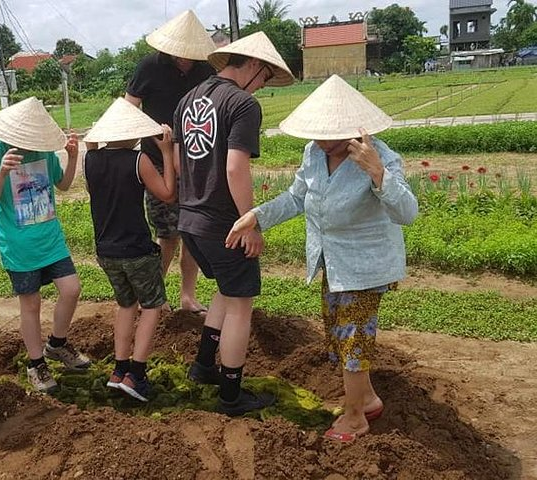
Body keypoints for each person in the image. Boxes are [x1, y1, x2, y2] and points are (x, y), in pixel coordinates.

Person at [226, 75, 419, 441]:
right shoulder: (314, 154)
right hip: (332, 261)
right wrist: (257, 215)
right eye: (317, 134)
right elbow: (297, 197)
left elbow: (407, 213)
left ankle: (355, 417)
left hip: (365, 267)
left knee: (353, 340)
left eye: (330, 135)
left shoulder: (381, 157)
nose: (321, 142)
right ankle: (368, 399)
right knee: (338, 335)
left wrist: (377, 172)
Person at [173, 32, 295, 416]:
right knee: (242, 304)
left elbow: (179, 165)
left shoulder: (187, 99)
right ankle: (231, 395)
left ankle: (203, 365)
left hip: (189, 218)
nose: (262, 87)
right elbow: (235, 165)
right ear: (255, 66)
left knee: (226, 291)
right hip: (224, 224)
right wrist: (250, 223)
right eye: (264, 78)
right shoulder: (242, 104)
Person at [0, 97, 90, 393]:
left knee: (72, 289)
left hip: (50, 239)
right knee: (30, 304)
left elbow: (63, 186)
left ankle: (57, 344)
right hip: (18, 245)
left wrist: (73, 157)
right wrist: (2, 172)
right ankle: (36, 364)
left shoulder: (43, 150)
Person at [82, 98, 176, 402]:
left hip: (106, 251)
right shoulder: (138, 161)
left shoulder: (91, 160)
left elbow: (92, 176)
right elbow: (167, 194)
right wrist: (167, 152)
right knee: (151, 306)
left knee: (125, 305)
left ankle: (118, 369)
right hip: (136, 249)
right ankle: (136, 374)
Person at [125, 9, 216, 315]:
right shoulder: (150, 65)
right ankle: (154, 297)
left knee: (192, 232)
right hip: (157, 161)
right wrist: (150, 137)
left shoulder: (206, 70)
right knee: (167, 235)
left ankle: (187, 296)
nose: (185, 58)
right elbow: (130, 107)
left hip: (195, 163)